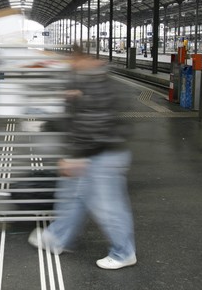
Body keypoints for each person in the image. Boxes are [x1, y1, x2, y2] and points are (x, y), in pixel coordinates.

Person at [28, 45, 137, 270]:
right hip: (92, 150)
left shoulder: (95, 82)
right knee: (71, 194)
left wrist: (75, 156)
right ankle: (57, 238)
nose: (71, 64)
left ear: (86, 58)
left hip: (104, 153)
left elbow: (92, 122)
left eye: (74, 60)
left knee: (109, 206)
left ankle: (124, 252)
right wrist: (49, 120)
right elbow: (74, 115)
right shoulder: (84, 78)